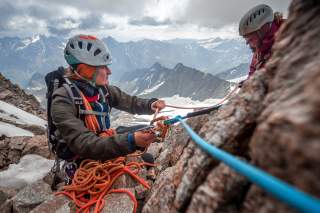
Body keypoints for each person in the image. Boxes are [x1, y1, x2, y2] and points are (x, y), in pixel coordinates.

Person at [51, 35, 165, 164]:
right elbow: (84, 143)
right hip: (80, 157)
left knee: (147, 129)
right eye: (103, 67)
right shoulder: (62, 100)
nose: (109, 71)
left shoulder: (103, 90)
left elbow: (131, 102)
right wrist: (130, 141)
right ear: (87, 69)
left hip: (102, 140)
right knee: (143, 152)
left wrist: (151, 104)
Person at [239, 4, 285, 80]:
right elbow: (253, 70)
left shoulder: (289, 37)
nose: (248, 43)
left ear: (263, 30)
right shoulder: (261, 49)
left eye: (251, 39)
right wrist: (248, 82)